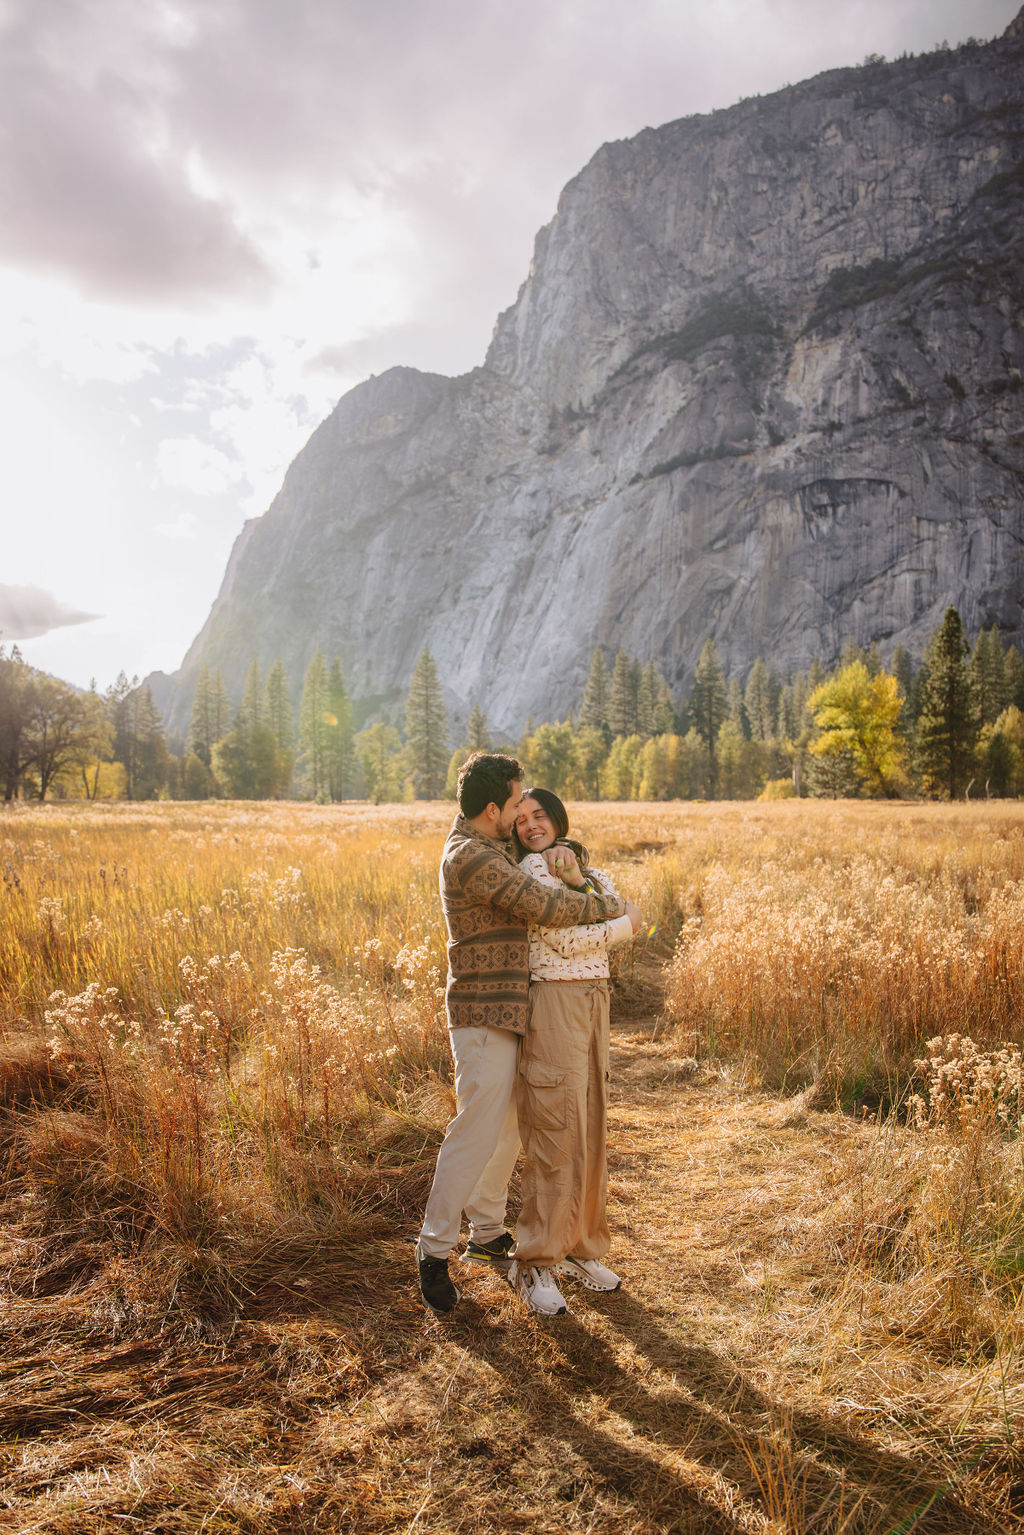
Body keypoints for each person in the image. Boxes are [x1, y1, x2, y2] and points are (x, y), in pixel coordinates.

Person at [416, 752, 627, 1315]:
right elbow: (542, 904)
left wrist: (563, 856)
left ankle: (486, 1234)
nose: (521, 815)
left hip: (511, 1014)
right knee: (475, 1134)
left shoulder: (492, 847)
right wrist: (615, 911)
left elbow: (543, 860)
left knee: (506, 1131)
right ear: (492, 809)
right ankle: (433, 1251)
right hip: (484, 1015)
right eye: (515, 804)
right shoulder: (471, 858)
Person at [507, 788, 643, 1316]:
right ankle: (537, 1259)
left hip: (594, 999)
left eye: (539, 815)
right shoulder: (531, 870)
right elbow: (563, 939)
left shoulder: (590, 870)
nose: (531, 826)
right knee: (554, 1124)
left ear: (558, 817)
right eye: (521, 820)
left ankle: (582, 1247)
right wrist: (624, 924)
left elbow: (598, 911)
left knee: (591, 1122)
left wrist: (589, 900)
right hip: (555, 1001)